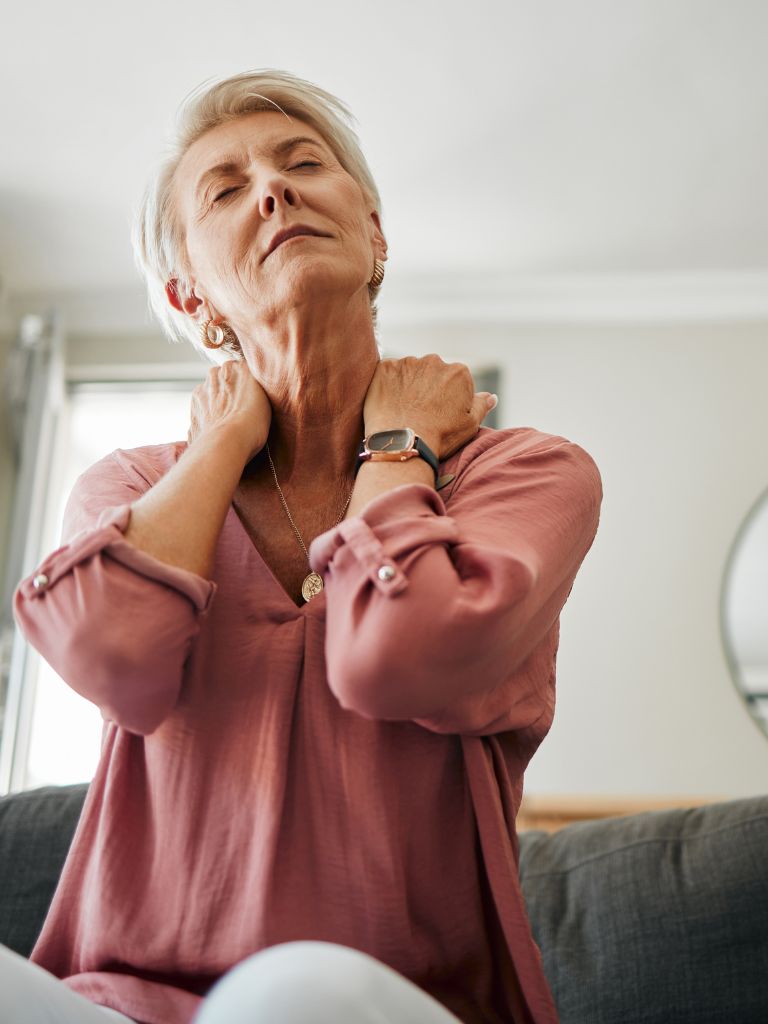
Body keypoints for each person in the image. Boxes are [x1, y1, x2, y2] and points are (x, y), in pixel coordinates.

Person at [5, 69, 602, 1024]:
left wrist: (397, 451)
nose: (273, 190)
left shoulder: (525, 474)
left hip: (378, 1000)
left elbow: (393, 660)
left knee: (291, 993)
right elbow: (114, 655)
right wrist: (218, 445)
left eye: (301, 164)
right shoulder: (128, 487)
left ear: (374, 232)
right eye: (226, 189)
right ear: (191, 298)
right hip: (118, 1002)